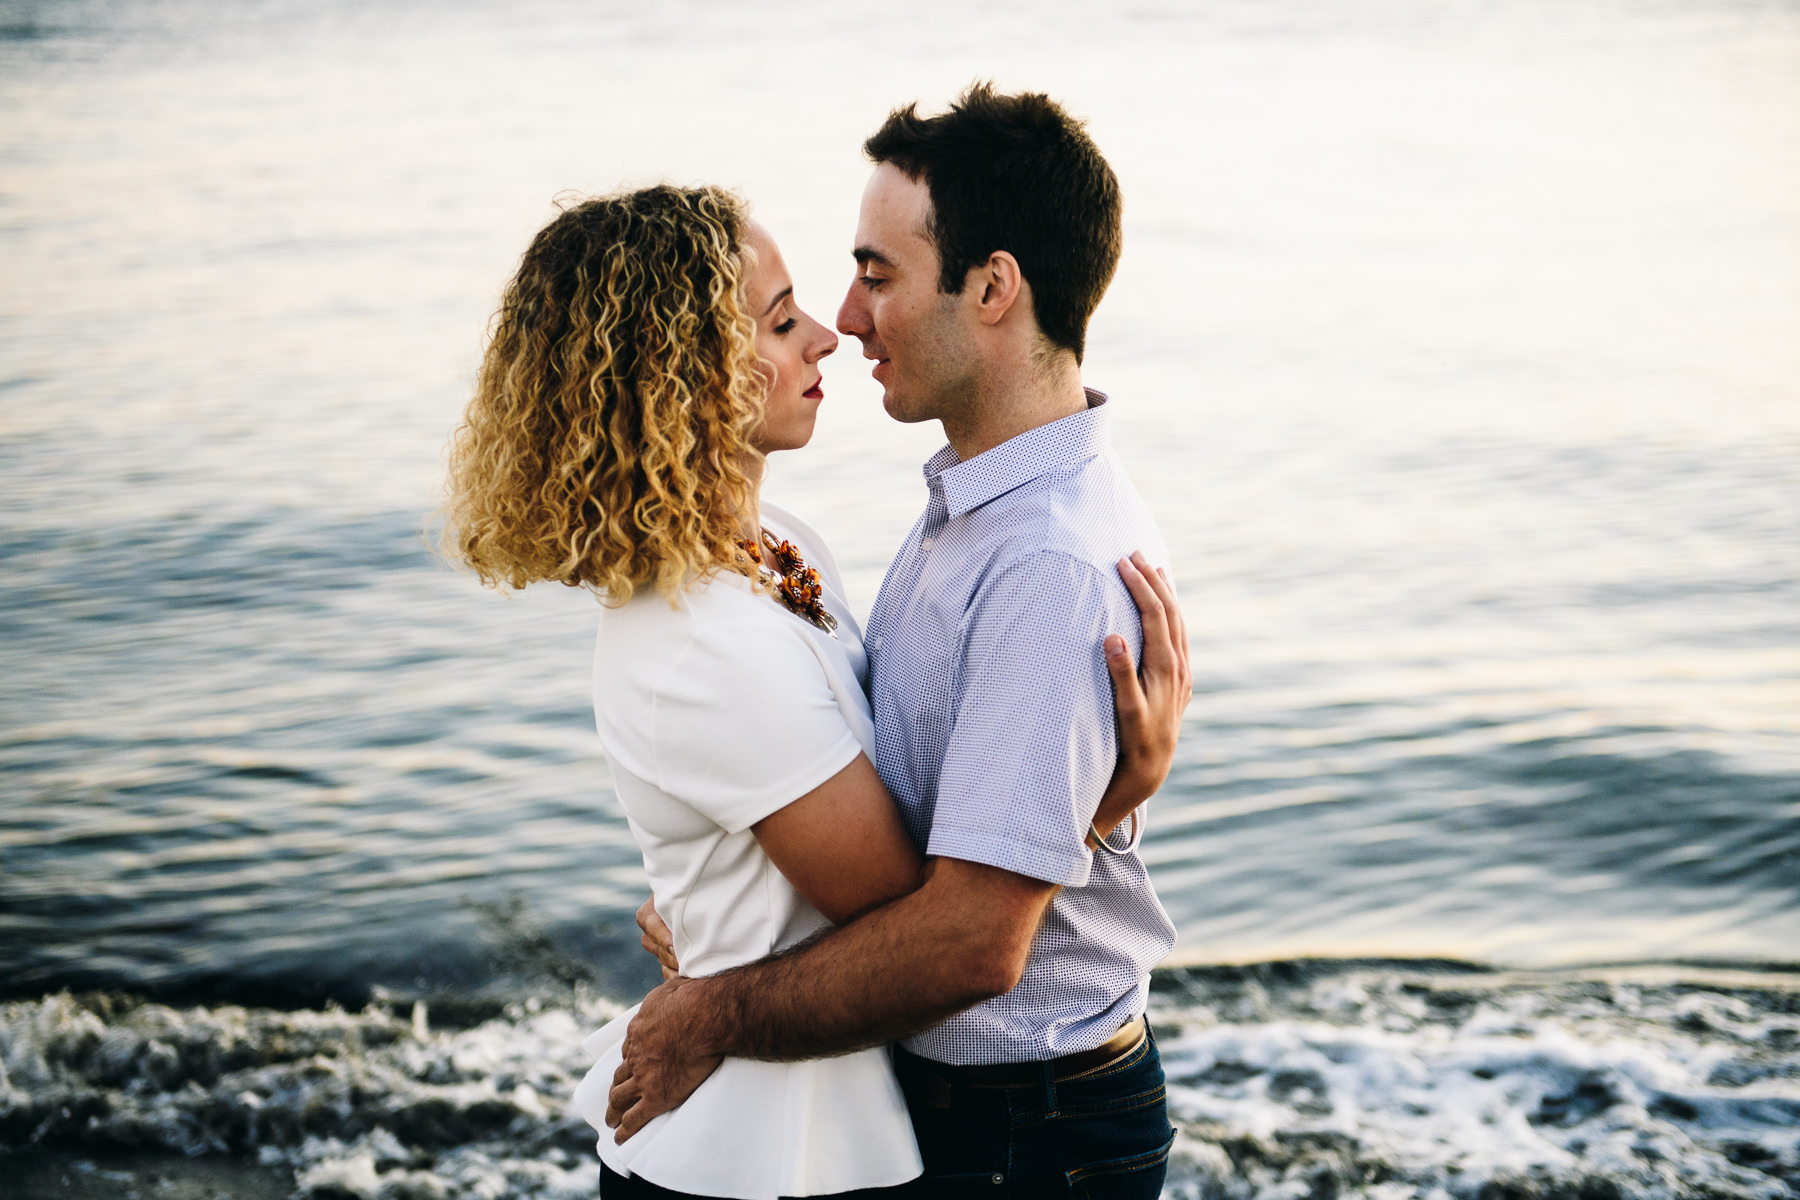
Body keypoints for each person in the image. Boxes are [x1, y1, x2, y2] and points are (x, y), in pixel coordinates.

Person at [440, 182, 1188, 1199]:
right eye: (781, 318)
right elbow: (915, 913)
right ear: (683, 374)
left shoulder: (778, 546)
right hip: (753, 1155)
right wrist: (1103, 798)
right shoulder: (705, 641)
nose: (829, 336)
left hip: (831, 1115)